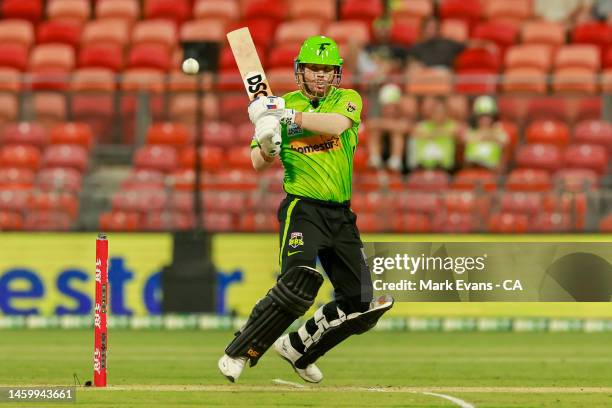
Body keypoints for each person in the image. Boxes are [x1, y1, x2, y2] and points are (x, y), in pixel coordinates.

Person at [218, 35, 393, 384]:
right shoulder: (279, 107)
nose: (321, 76)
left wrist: (285, 115)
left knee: (362, 303)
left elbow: (338, 126)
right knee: (298, 283)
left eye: (328, 70)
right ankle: (240, 350)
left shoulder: (347, 100)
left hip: (341, 215)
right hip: (303, 209)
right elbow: (256, 162)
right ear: (301, 70)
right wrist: (269, 145)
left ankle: (299, 348)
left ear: (337, 74)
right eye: (314, 68)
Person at [408, 96, 461, 171]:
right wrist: (442, 133)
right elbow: (413, 133)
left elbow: (457, 132)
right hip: (422, 166)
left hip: (444, 167)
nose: (439, 115)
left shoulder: (452, 125)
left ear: (447, 113)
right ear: (431, 113)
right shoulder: (422, 125)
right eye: (436, 112)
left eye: (441, 112)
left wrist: (429, 134)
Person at [365, 83, 411, 172]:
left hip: (403, 162)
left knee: (397, 134)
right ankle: (375, 159)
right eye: (386, 107)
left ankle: (395, 161)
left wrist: (383, 125)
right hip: (382, 155)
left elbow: (404, 127)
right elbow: (369, 124)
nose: (389, 110)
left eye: (392, 107)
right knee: (375, 132)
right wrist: (390, 125)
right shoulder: (377, 117)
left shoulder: (403, 117)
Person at [463, 96, 508, 171]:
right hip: (472, 168)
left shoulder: (498, 130)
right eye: (481, 116)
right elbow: (465, 139)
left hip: (491, 170)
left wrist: (488, 135)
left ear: (493, 117)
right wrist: (484, 136)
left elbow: (505, 141)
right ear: (476, 117)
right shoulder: (471, 131)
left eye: (488, 116)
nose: (485, 119)